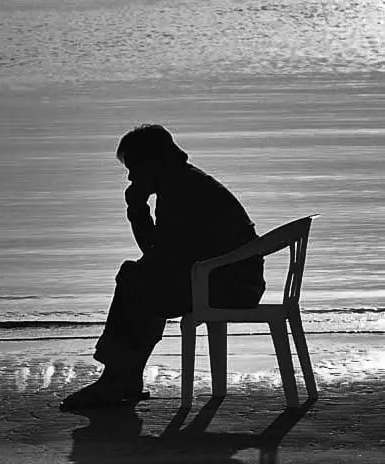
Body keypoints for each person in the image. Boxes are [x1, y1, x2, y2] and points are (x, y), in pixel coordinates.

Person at [60, 124, 265, 412]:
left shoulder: (182, 191)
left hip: (228, 287)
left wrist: (136, 209)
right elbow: (163, 255)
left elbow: (159, 254)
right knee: (140, 279)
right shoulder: (183, 181)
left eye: (133, 168)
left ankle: (114, 379)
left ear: (152, 162)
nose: (130, 177)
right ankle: (127, 376)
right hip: (232, 281)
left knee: (135, 281)